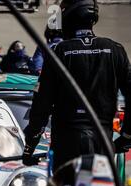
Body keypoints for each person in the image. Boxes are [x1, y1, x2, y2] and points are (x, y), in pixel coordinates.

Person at [21, 0, 131, 172]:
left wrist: (30, 146)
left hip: (67, 145)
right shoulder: (115, 50)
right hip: (103, 142)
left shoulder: (59, 52)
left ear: (69, 18)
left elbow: (42, 104)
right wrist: (126, 138)